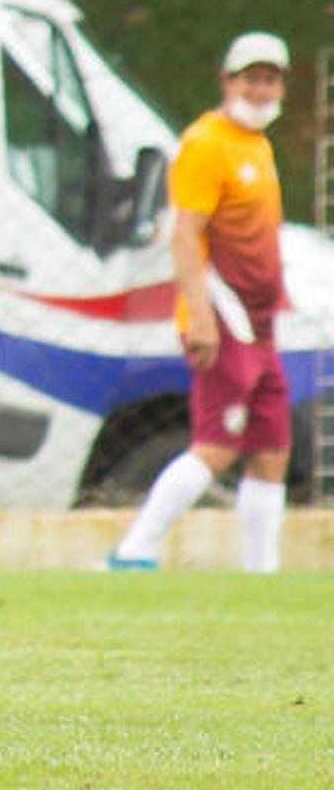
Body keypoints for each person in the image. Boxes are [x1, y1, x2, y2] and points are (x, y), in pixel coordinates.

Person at [111, 31, 292, 573]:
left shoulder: (257, 144)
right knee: (215, 445)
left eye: (269, 78)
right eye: (249, 78)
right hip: (225, 319)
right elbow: (185, 234)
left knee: (271, 451)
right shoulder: (205, 143)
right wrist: (202, 317)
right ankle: (133, 551)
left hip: (260, 325)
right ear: (227, 80)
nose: (259, 89)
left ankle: (261, 575)